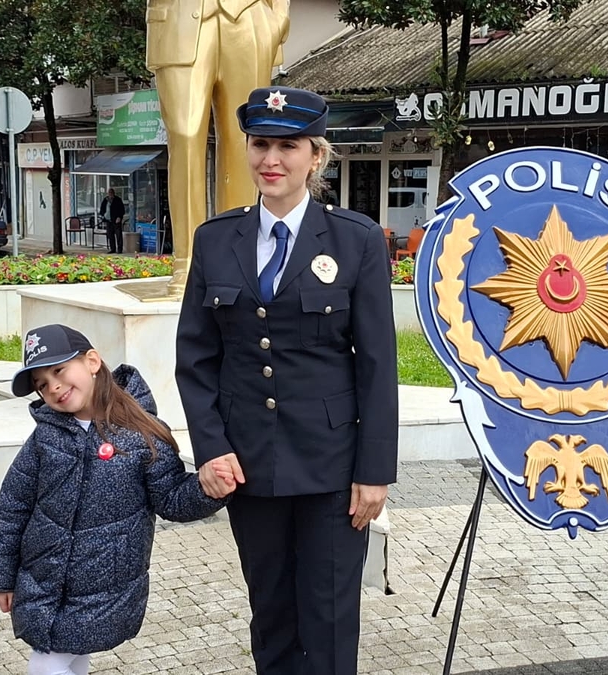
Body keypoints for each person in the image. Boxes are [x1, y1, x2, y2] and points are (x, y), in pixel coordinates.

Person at [175, 87, 399, 675]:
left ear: (315, 156)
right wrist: (212, 448)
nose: (271, 159)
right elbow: (196, 357)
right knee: (270, 612)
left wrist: (375, 473)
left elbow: (377, 364)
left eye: (288, 146)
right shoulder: (216, 239)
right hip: (248, 462)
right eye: (260, 144)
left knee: (326, 617)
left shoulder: (356, 240)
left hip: (332, 465)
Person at [0, 324, 232, 675]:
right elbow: (12, 506)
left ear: (92, 361)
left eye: (59, 371)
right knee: (68, 658)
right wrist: (0, 576)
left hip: (105, 589)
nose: (53, 386)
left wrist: (208, 490)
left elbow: (172, 498)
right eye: (41, 384)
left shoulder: (141, 433)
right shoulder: (45, 437)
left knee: (45, 666)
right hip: (43, 584)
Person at [145, 0, 291, 295]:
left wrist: (278, 18)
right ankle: (186, 262)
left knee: (245, 140)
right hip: (179, 18)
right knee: (185, 136)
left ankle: (238, 261)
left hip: (249, 16)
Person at [99, 188, 126, 254]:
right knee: (110, 235)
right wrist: (104, 215)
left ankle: (120, 249)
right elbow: (101, 209)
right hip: (108, 220)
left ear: (113, 193)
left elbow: (122, 210)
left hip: (116, 220)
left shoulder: (118, 200)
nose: (110, 194)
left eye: (111, 193)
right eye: (109, 193)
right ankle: (112, 249)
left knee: (118, 235)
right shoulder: (105, 200)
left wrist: (119, 217)